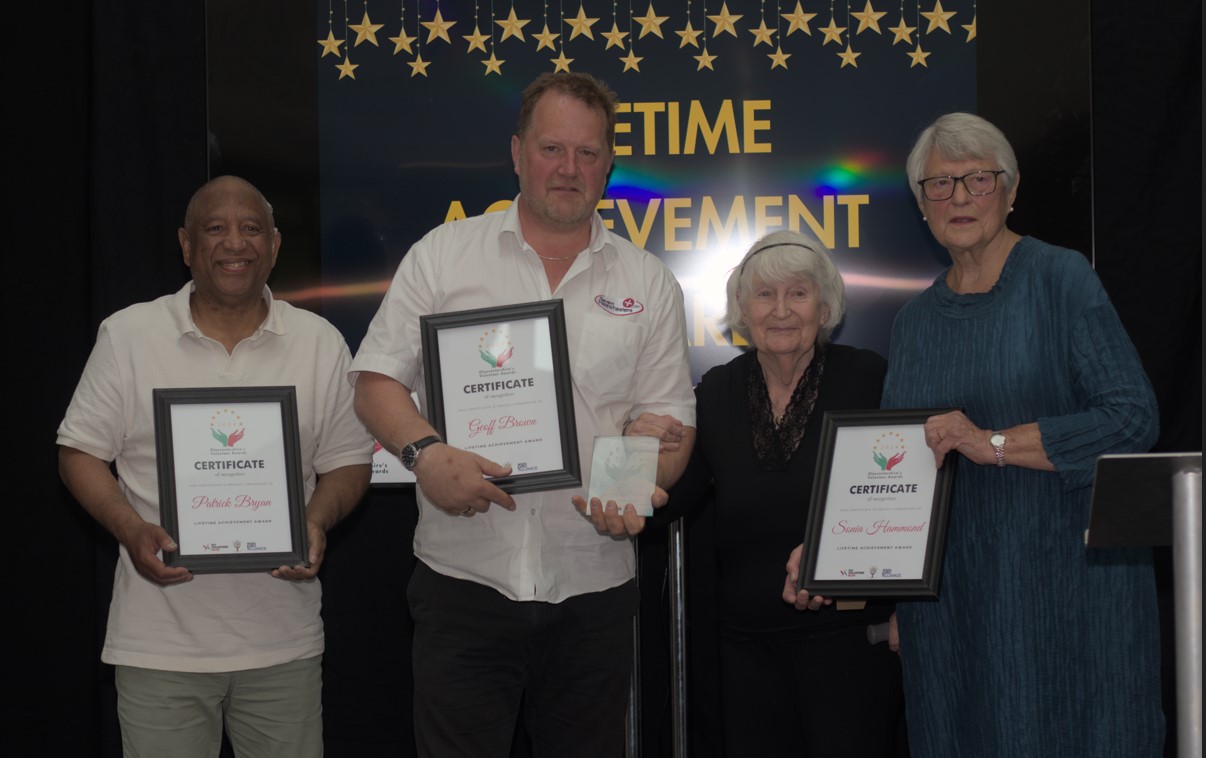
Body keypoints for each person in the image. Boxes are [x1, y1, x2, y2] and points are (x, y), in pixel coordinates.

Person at [349, 71, 696, 757]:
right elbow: (374, 381)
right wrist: (425, 454)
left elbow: (666, 425)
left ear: (608, 164)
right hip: (464, 582)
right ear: (516, 152)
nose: (569, 168)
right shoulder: (444, 256)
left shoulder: (646, 281)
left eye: (588, 153)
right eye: (551, 148)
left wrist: (629, 488)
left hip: (593, 584)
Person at [868, 112, 1163, 756]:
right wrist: (886, 581)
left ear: (1012, 188)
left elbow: (1130, 418)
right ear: (921, 204)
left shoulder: (1062, 279)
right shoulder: (915, 322)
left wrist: (995, 444)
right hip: (951, 610)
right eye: (939, 185)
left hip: (1066, 593)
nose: (961, 198)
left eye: (979, 179)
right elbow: (904, 473)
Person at [57, 175, 374, 757]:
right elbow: (79, 451)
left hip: (284, 644)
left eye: (253, 228)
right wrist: (130, 530)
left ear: (275, 246)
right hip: (160, 645)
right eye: (216, 228)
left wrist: (318, 519)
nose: (236, 243)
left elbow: (349, 462)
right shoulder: (128, 336)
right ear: (185, 244)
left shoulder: (319, 342)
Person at [637, 230, 905, 756]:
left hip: (848, 645)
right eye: (764, 294)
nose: (781, 310)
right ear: (742, 307)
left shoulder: (870, 379)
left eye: (798, 293)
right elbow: (680, 494)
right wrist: (630, 475)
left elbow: (904, 502)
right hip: (743, 651)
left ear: (825, 305)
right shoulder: (715, 390)